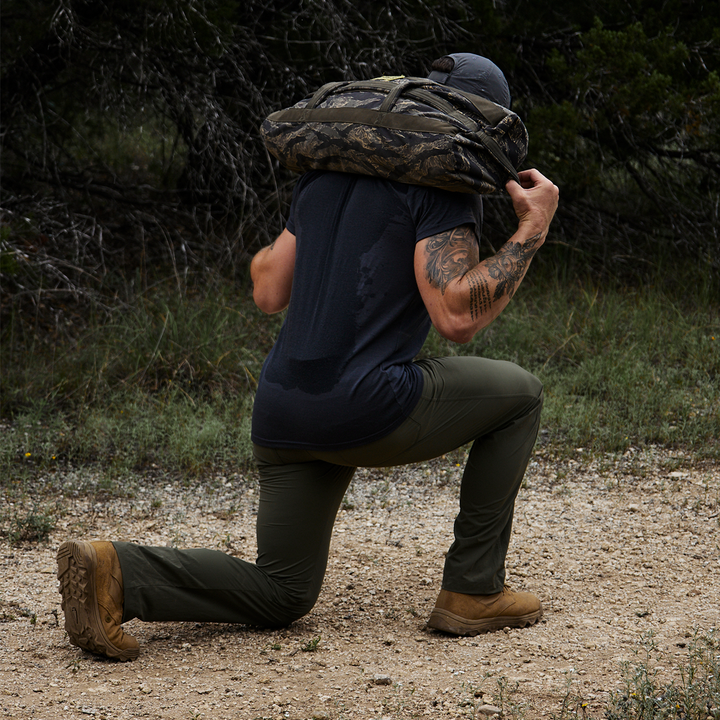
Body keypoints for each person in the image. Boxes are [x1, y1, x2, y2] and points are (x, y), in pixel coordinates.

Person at [56, 53, 559, 661]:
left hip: (283, 410)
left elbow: (267, 288)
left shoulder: (325, 175)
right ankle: (473, 591)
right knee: (520, 395)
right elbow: (456, 316)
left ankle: (119, 571)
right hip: (365, 408)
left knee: (283, 591)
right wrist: (532, 230)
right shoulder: (442, 182)